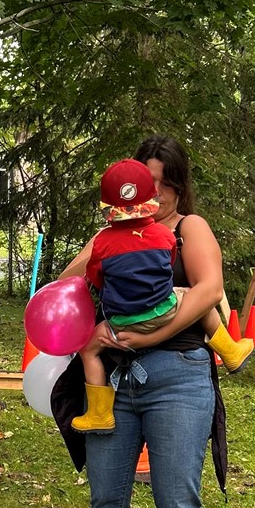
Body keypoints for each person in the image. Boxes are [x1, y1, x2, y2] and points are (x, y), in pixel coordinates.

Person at [39, 135, 225, 508]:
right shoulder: (114, 234)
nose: (156, 194)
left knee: (177, 502)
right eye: (147, 182)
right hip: (115, 383)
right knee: (106, 494)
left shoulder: (189, 228)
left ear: (180, 187)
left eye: (165, 184)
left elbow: (208, 292)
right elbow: (68, 282)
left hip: (178, 377)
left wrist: (134, 335)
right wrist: (105, 241)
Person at [73, 159, 189, 433]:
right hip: (165, 310)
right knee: (196, 296)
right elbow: (168, 264)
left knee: (88, 348)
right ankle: (228, 347)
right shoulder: (165, 233)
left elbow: (96, 276)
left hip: (122, 323)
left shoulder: (102, 241)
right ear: (151, 198)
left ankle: (100, 413)